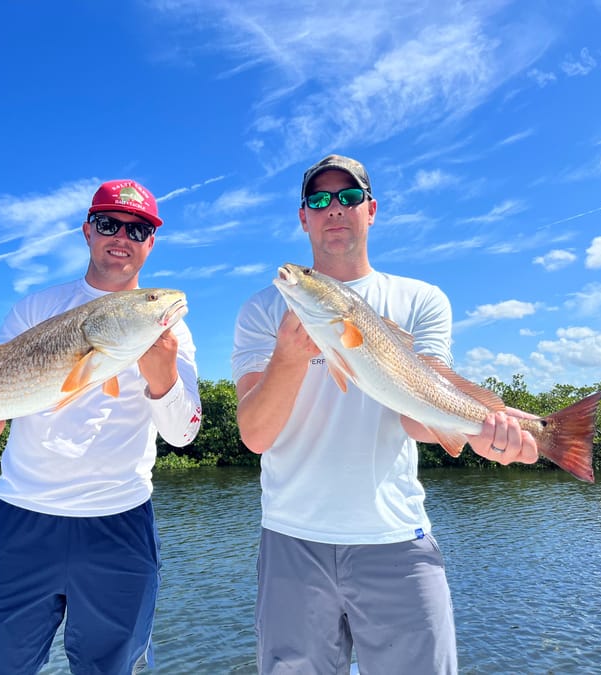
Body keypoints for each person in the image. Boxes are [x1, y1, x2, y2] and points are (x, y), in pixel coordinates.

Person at [231, 154, 539, 675]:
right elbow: (256, 435)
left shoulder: (421, 299)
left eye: (349, 198)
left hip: (395, 538)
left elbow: (421, 416)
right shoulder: (264, 310)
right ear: (302, 217)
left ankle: (549, 434)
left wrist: (488, 432)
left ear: (370, 211)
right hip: (290, 537)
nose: (335, 209)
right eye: (319, 200)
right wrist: (289, 354)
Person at [0, 179, 202, 675]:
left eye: (138, 229)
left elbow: (184, 434)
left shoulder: (170, 331)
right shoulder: (33, 309)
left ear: (151, 243)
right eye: (110, 224)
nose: (122, 236)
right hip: (23, 516)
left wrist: (164, 378)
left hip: (120, 523)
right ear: (88, 231)